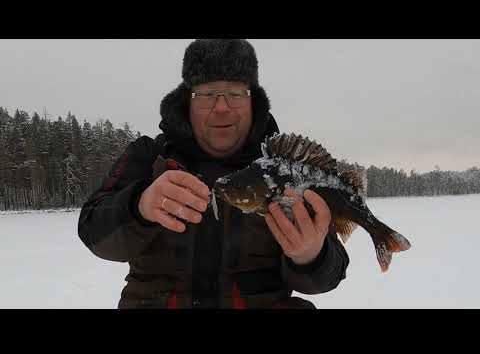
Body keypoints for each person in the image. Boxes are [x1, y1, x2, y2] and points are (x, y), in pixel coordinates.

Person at [78, 39, 349, 309]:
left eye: (235, 93)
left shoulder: (282, 170)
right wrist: (140, 206)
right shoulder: (148, 156)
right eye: (207, 94)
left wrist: (311, 256)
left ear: (252, 102)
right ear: (188, 101)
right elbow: (93, 232)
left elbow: (328, 276)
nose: (221, 107)